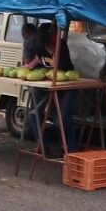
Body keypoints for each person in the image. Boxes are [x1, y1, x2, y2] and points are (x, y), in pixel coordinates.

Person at [26, 24, 79, 156]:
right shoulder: (39, 48)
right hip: (49, 88)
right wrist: (27, 67)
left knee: (61, 118)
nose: (57, 35)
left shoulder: (61, 46)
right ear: (45, 37)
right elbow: (35, 63)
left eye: (57, 33)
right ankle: (43, 146)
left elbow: (63, 67)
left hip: (66, 88)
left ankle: (70, 149)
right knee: (34, 115)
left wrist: (55, 52)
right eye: (54, 33)